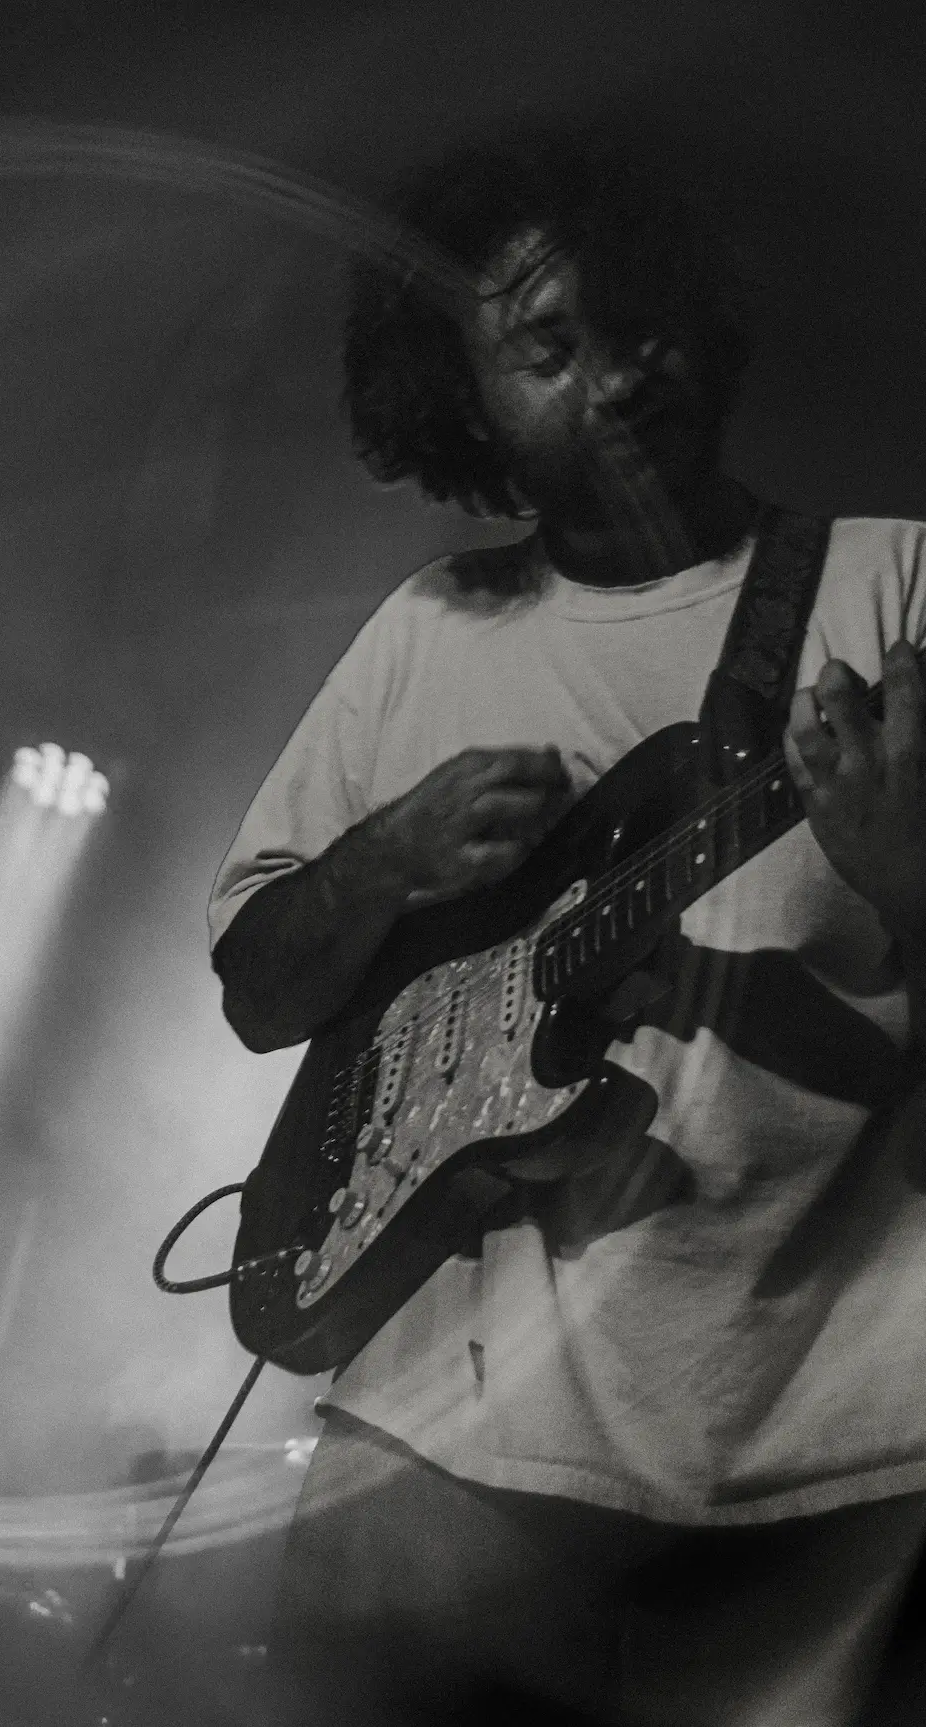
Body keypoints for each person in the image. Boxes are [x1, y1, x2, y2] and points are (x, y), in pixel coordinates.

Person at [207, 117, 926, 1727]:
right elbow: (259, 988)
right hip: (440, 1455)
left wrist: (909, 885)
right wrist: (383, 858)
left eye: (643, 316)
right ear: (462, 399)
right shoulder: (427, 632)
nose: (620, 372)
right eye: (550, 345)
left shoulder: (895, 590)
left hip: (827, 1455)